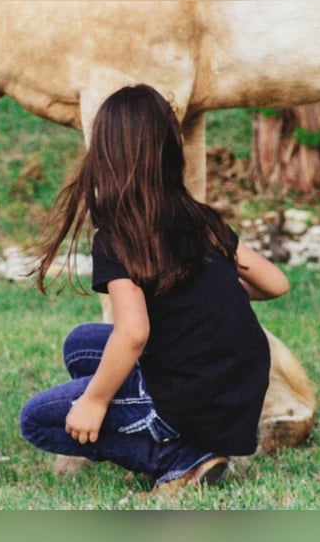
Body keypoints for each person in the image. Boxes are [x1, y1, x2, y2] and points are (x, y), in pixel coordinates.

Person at [20, 84, 289, 491]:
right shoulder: (200, 218)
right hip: (238, 389)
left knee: (38, 421)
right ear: (172, 147)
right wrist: (215, 293)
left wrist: (93, 403)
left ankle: (182, 458)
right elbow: (275, 282)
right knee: (82, 344)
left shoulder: (116, 237)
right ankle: (174, 436)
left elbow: (133, 333)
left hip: (190, 395)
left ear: (105, 154)